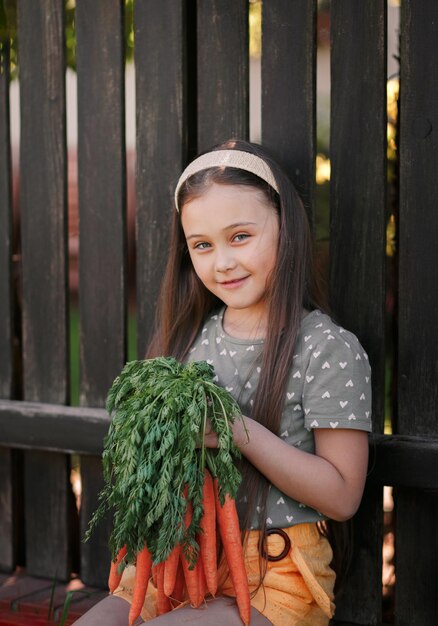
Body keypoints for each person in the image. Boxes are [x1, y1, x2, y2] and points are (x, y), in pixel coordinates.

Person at [74, 139, 372, 625]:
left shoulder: (325, 348)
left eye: (240, 236)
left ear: (286, 228)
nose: (223, 262)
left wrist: (238, 430)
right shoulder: (189, 341)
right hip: (178, 562)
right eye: (203, 245)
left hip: (274, 578)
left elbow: (342, 496)